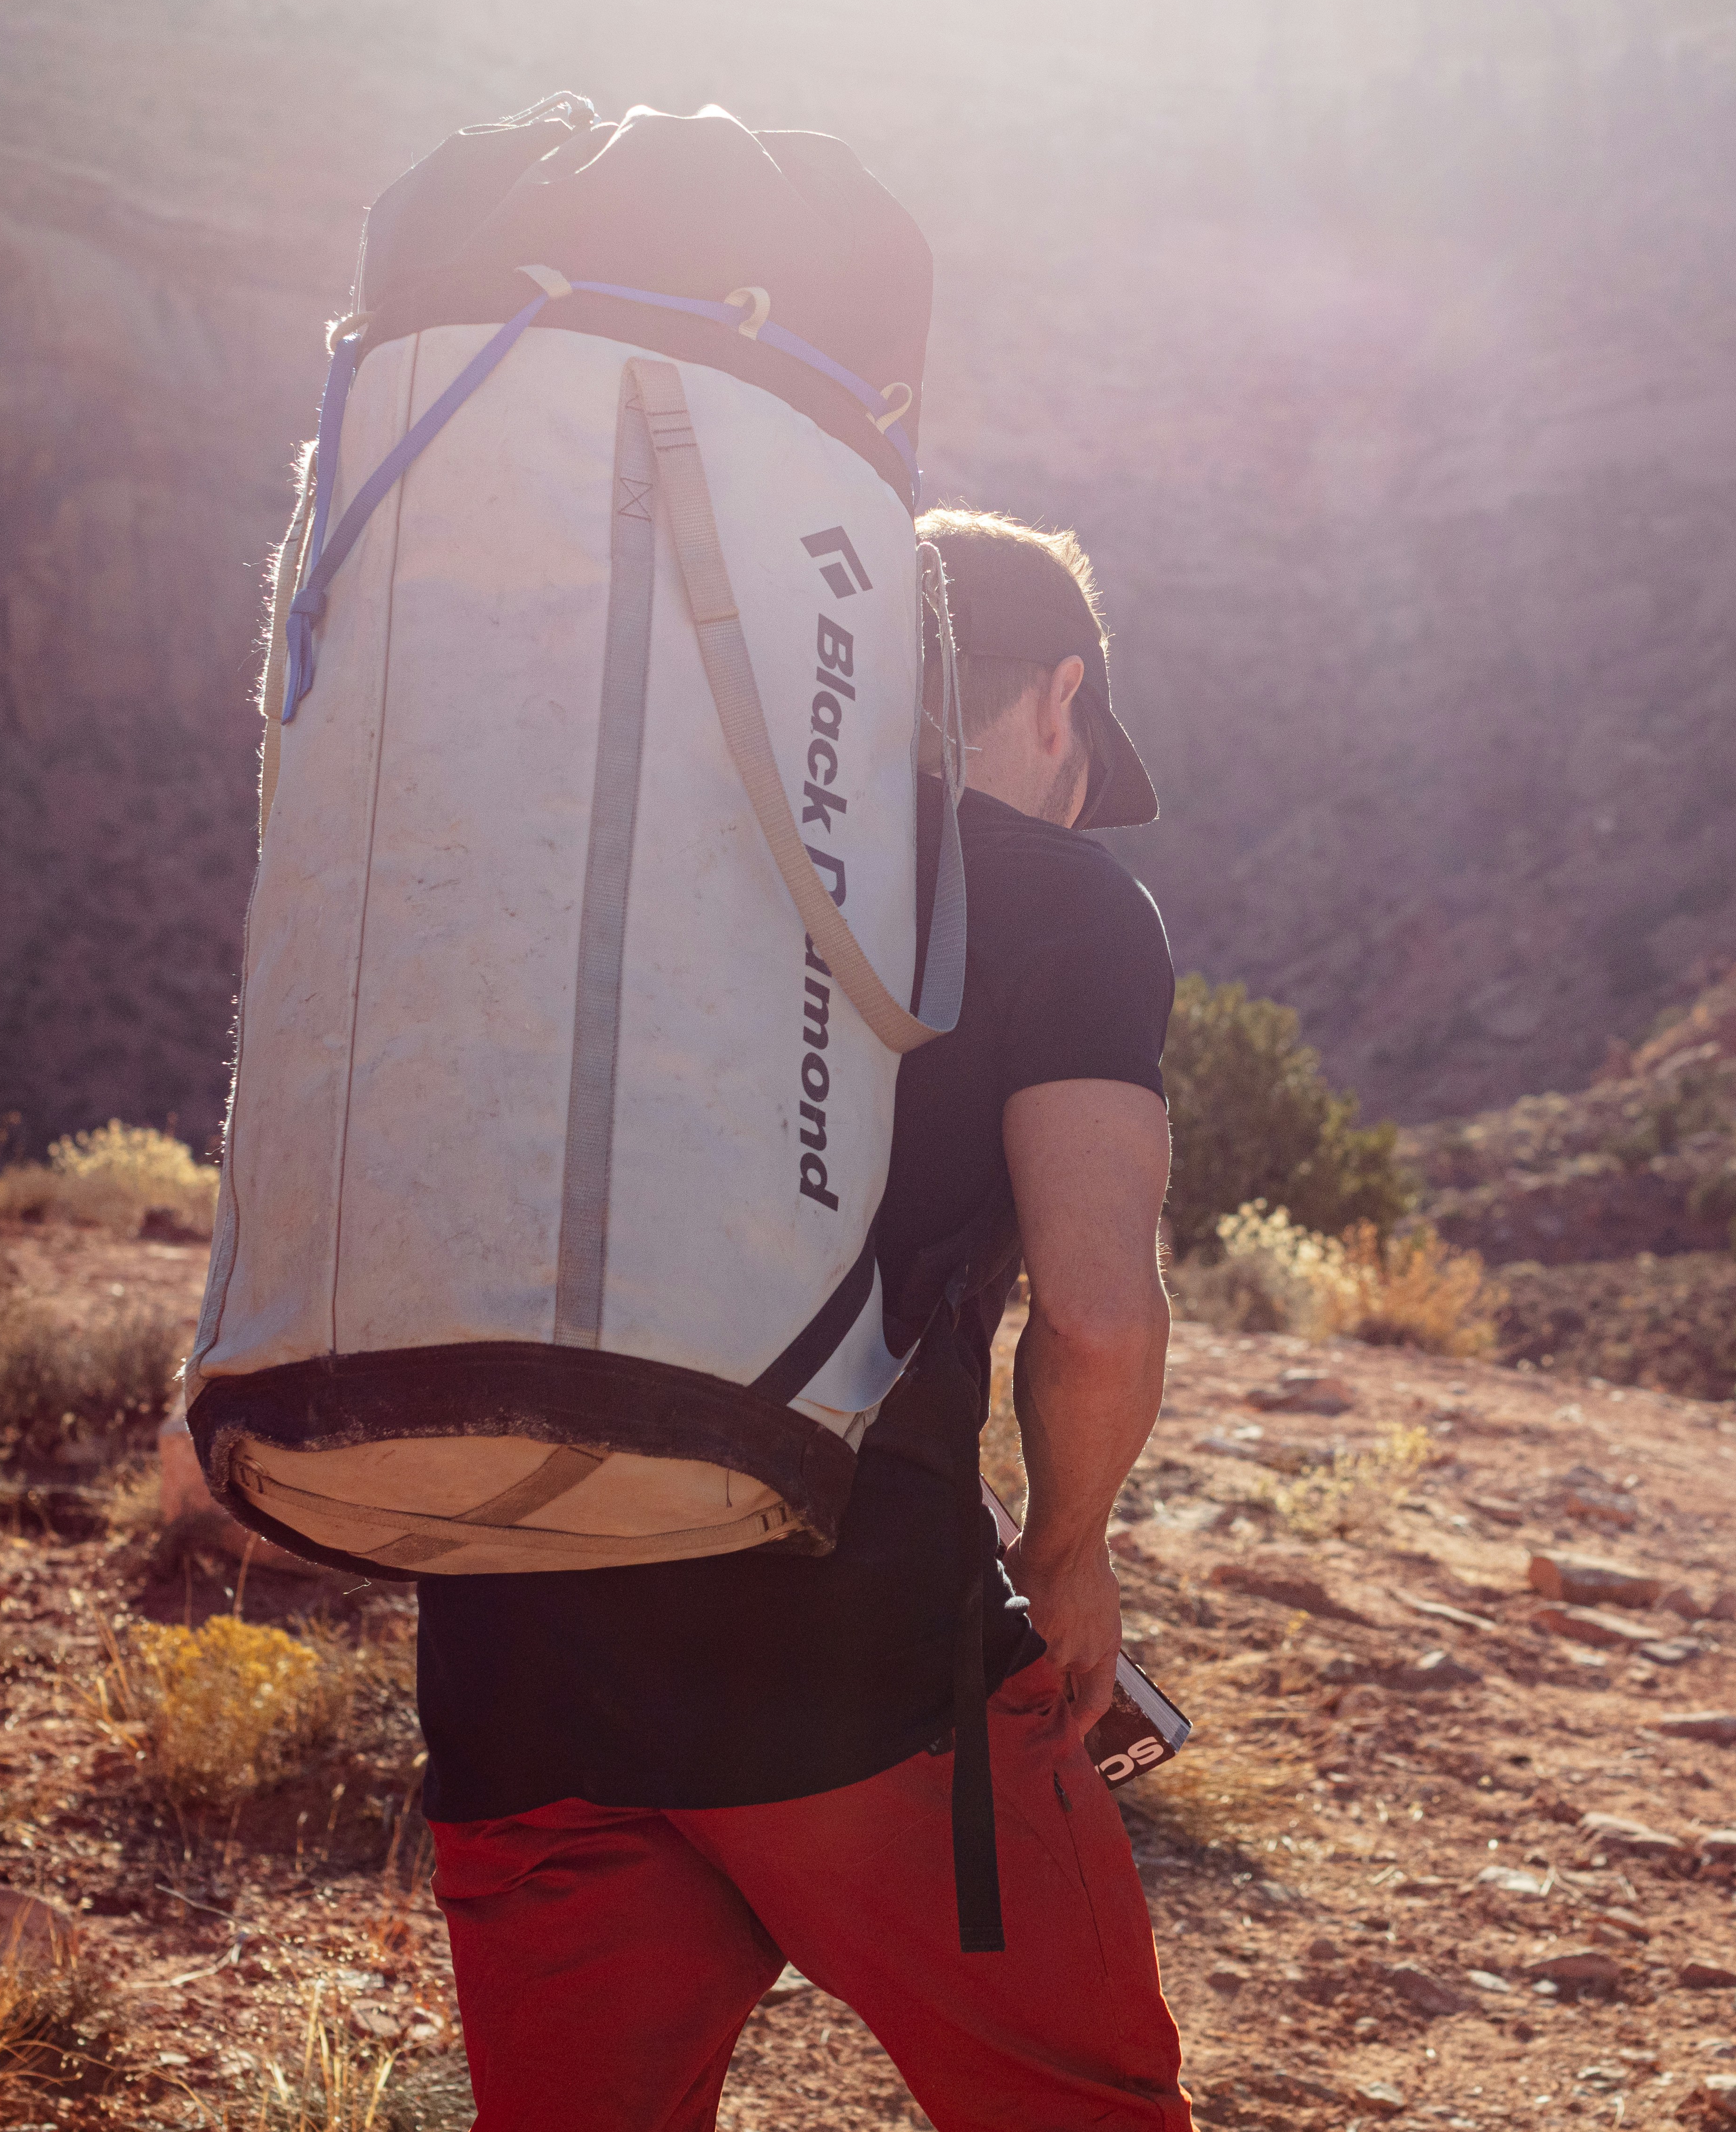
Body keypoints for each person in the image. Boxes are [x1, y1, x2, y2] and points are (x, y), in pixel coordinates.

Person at [409, 507, 1194, 2132]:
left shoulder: (624, 862)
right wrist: (1066, 1556)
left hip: (513, 1643)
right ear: (1058, 701)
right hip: (854, 1671)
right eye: (1078, 748)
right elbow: (1102, 1317)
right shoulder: (1064, 900)